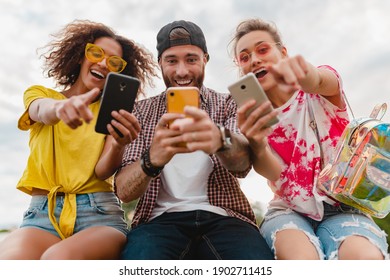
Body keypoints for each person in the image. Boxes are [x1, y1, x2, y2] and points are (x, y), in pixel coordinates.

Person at [114, 20, 281, 260]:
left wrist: (219, 140)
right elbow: (124, 191)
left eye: (191, 59)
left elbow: (243, 166)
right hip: (158, 222)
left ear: (205, 59)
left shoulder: (229, 103)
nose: (182, 71)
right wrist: (151, 160)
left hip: (226, 218)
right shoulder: (140, 111)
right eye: (172, 61)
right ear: (160, 63)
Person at [229, 18, 389, 260]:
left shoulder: (317, 91)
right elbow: (274, 173)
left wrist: (306, 74)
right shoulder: (254, 116)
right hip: (288, 211)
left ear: (283, 53)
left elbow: (321, 80)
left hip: (343, 207)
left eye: (263, 50)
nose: (254, 60)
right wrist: (257, 142)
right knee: (301, 260)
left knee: (364, 259)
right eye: (245, 57)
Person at [0, 20, 158, 260]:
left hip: (99, 214)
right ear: (80, 55)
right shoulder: (41, 95)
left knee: (57, 260)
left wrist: (117, 144)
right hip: (42, 214)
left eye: (114, 62)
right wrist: (62, 108)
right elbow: (40, 110)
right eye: (96, 53)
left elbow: (102, 172)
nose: (104, 63)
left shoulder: (112, 112)